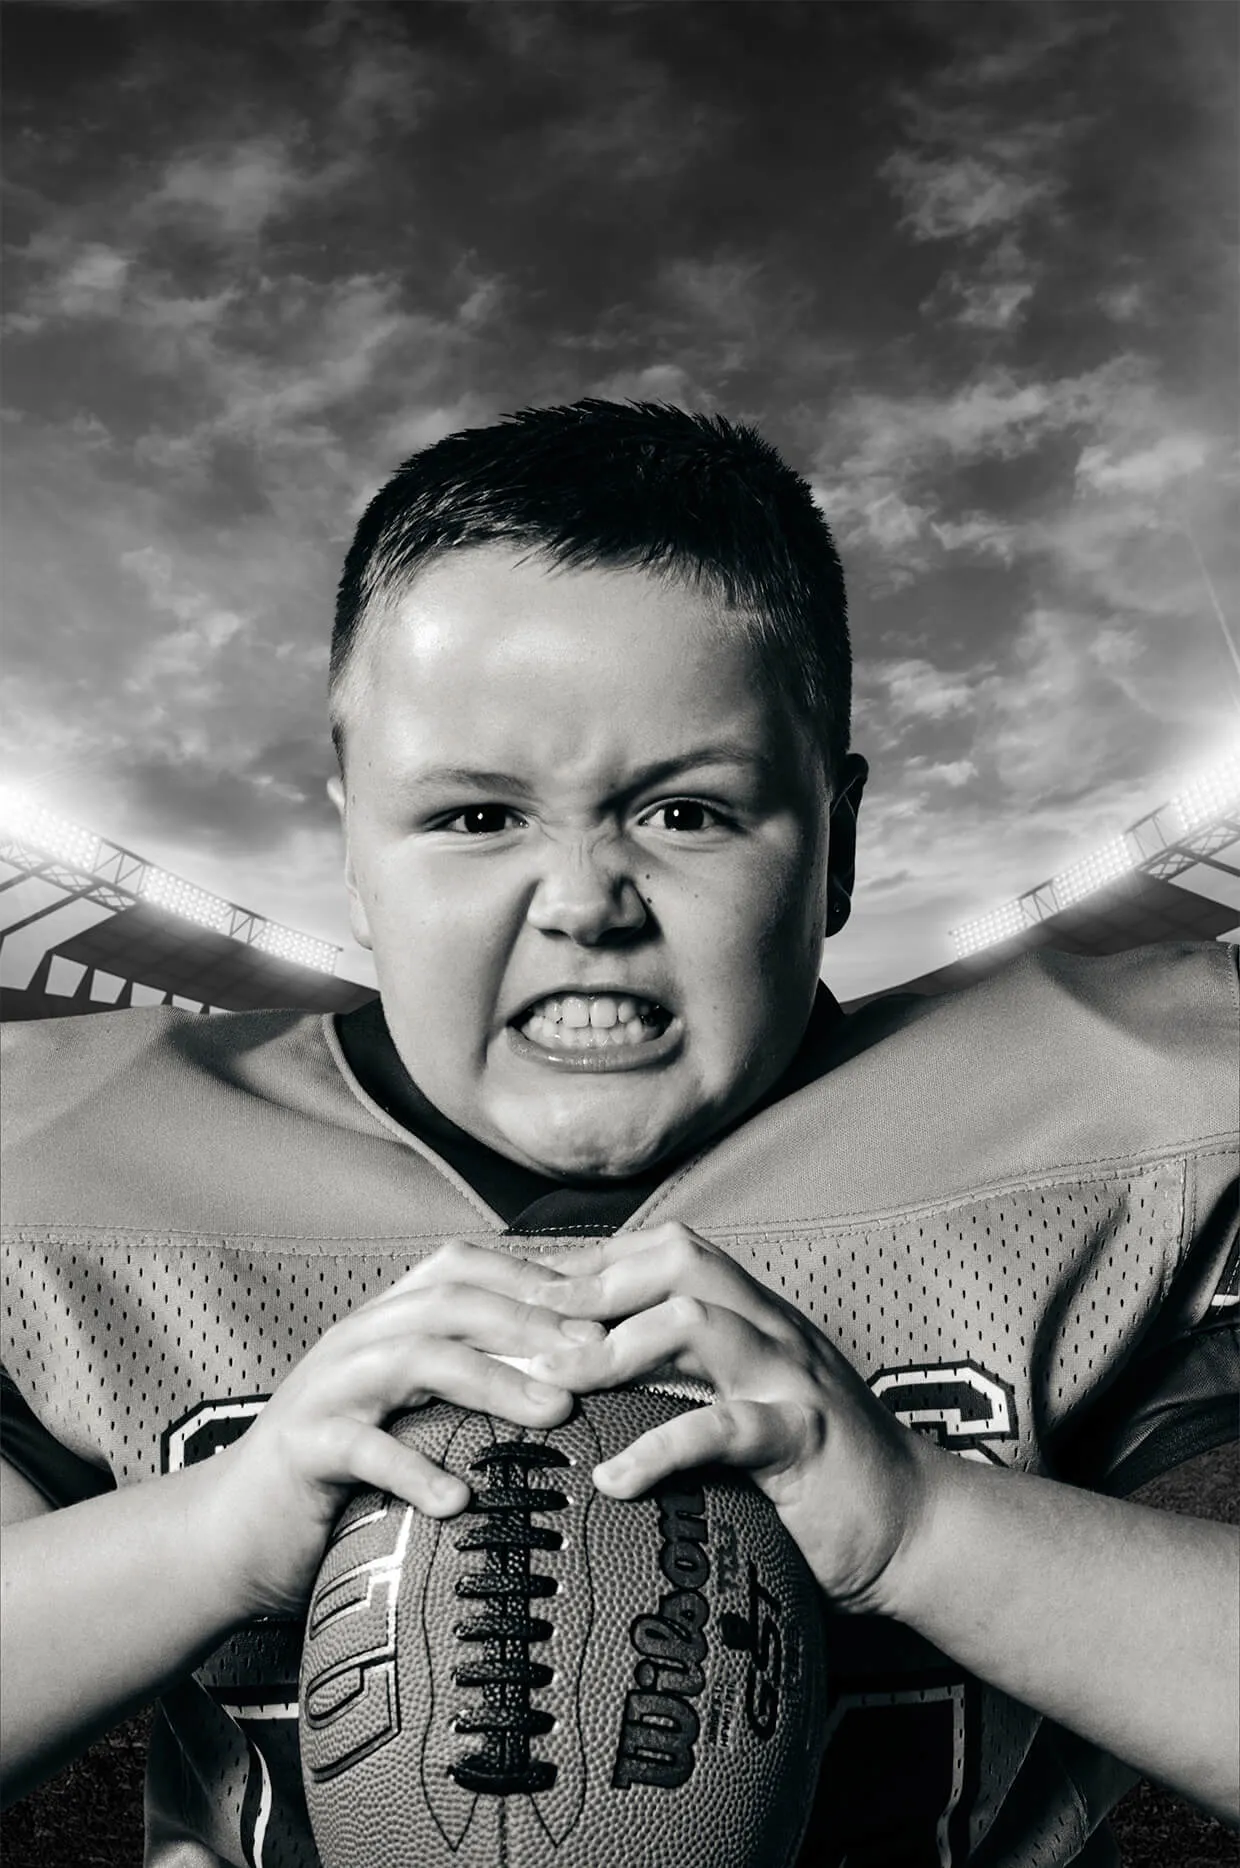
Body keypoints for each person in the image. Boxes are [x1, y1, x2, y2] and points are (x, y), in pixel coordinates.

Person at [1, 400, 1236, 1868]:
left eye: (687, 814)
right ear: (352, 849)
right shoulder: (78, 1157)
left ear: (835, 841)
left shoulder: (1122, 1117)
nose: (585, 902)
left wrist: (923, 1528)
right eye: (477, 818)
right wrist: (211, 1535)